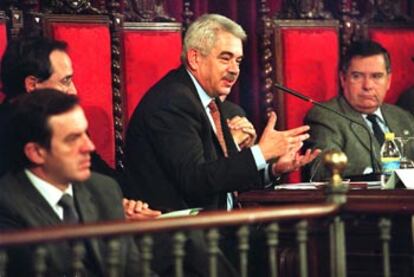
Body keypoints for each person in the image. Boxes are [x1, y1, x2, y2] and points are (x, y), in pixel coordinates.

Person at [123, 13, 319, 212]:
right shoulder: (173, 101)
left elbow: (223, 177)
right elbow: (196, 181)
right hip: (182, 234)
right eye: (225, 59)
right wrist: (261, 152)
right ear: (195, 58)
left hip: (222, 228)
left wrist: (273, 169)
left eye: (239, 61)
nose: (234, 70)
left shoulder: (212, 103)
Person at [0, 36, 161, 220]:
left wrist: (125, 204)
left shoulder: (69, 121)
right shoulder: (7, 138)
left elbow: (106, 179)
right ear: (33, 85)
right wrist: (106, 210)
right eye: (65, 81)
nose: (73, 91)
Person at [0, 89, 143, 276]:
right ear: (36, 152)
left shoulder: (104, 189)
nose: (89, 147)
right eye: (73, 139)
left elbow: (134, 271)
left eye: (86, 133)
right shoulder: (7, 207)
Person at [304, 40, 414, 181]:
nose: (367, 85)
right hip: (355, 201)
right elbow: (322, 170)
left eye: (376, 76)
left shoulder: (403, 117)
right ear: (343, 79)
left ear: (389, 80)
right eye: (357, 76)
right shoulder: (324, 117)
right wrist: (374, 176)